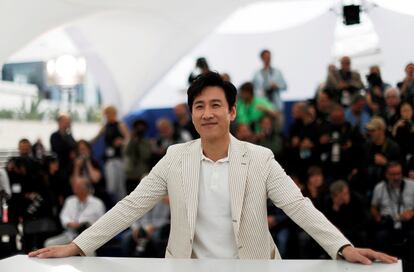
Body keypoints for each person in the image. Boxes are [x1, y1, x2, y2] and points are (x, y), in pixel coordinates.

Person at [29, 72, 396, 265]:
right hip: (189, 268)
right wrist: (77, 246)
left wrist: (342, 246)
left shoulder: (260, 157)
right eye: (199, 105)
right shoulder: (175, 157)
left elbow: (298, 206)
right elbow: (130, 205)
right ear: (191, 114)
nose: (207, 113)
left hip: (252, 267)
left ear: (232, 111)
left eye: (216, 104)